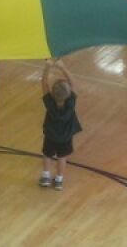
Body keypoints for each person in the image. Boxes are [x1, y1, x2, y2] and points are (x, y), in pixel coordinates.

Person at [39, 59, 82, 191]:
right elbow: (73, 83)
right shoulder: (70, 103)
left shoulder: (49, 103)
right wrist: (63, 67)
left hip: (51, 135)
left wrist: (47, 68)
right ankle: (59, 179)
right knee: (62, 157)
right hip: (66, 137)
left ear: (52, 93)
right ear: (69, 94)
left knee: (47, 154)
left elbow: (43, 83)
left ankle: (45, 176)